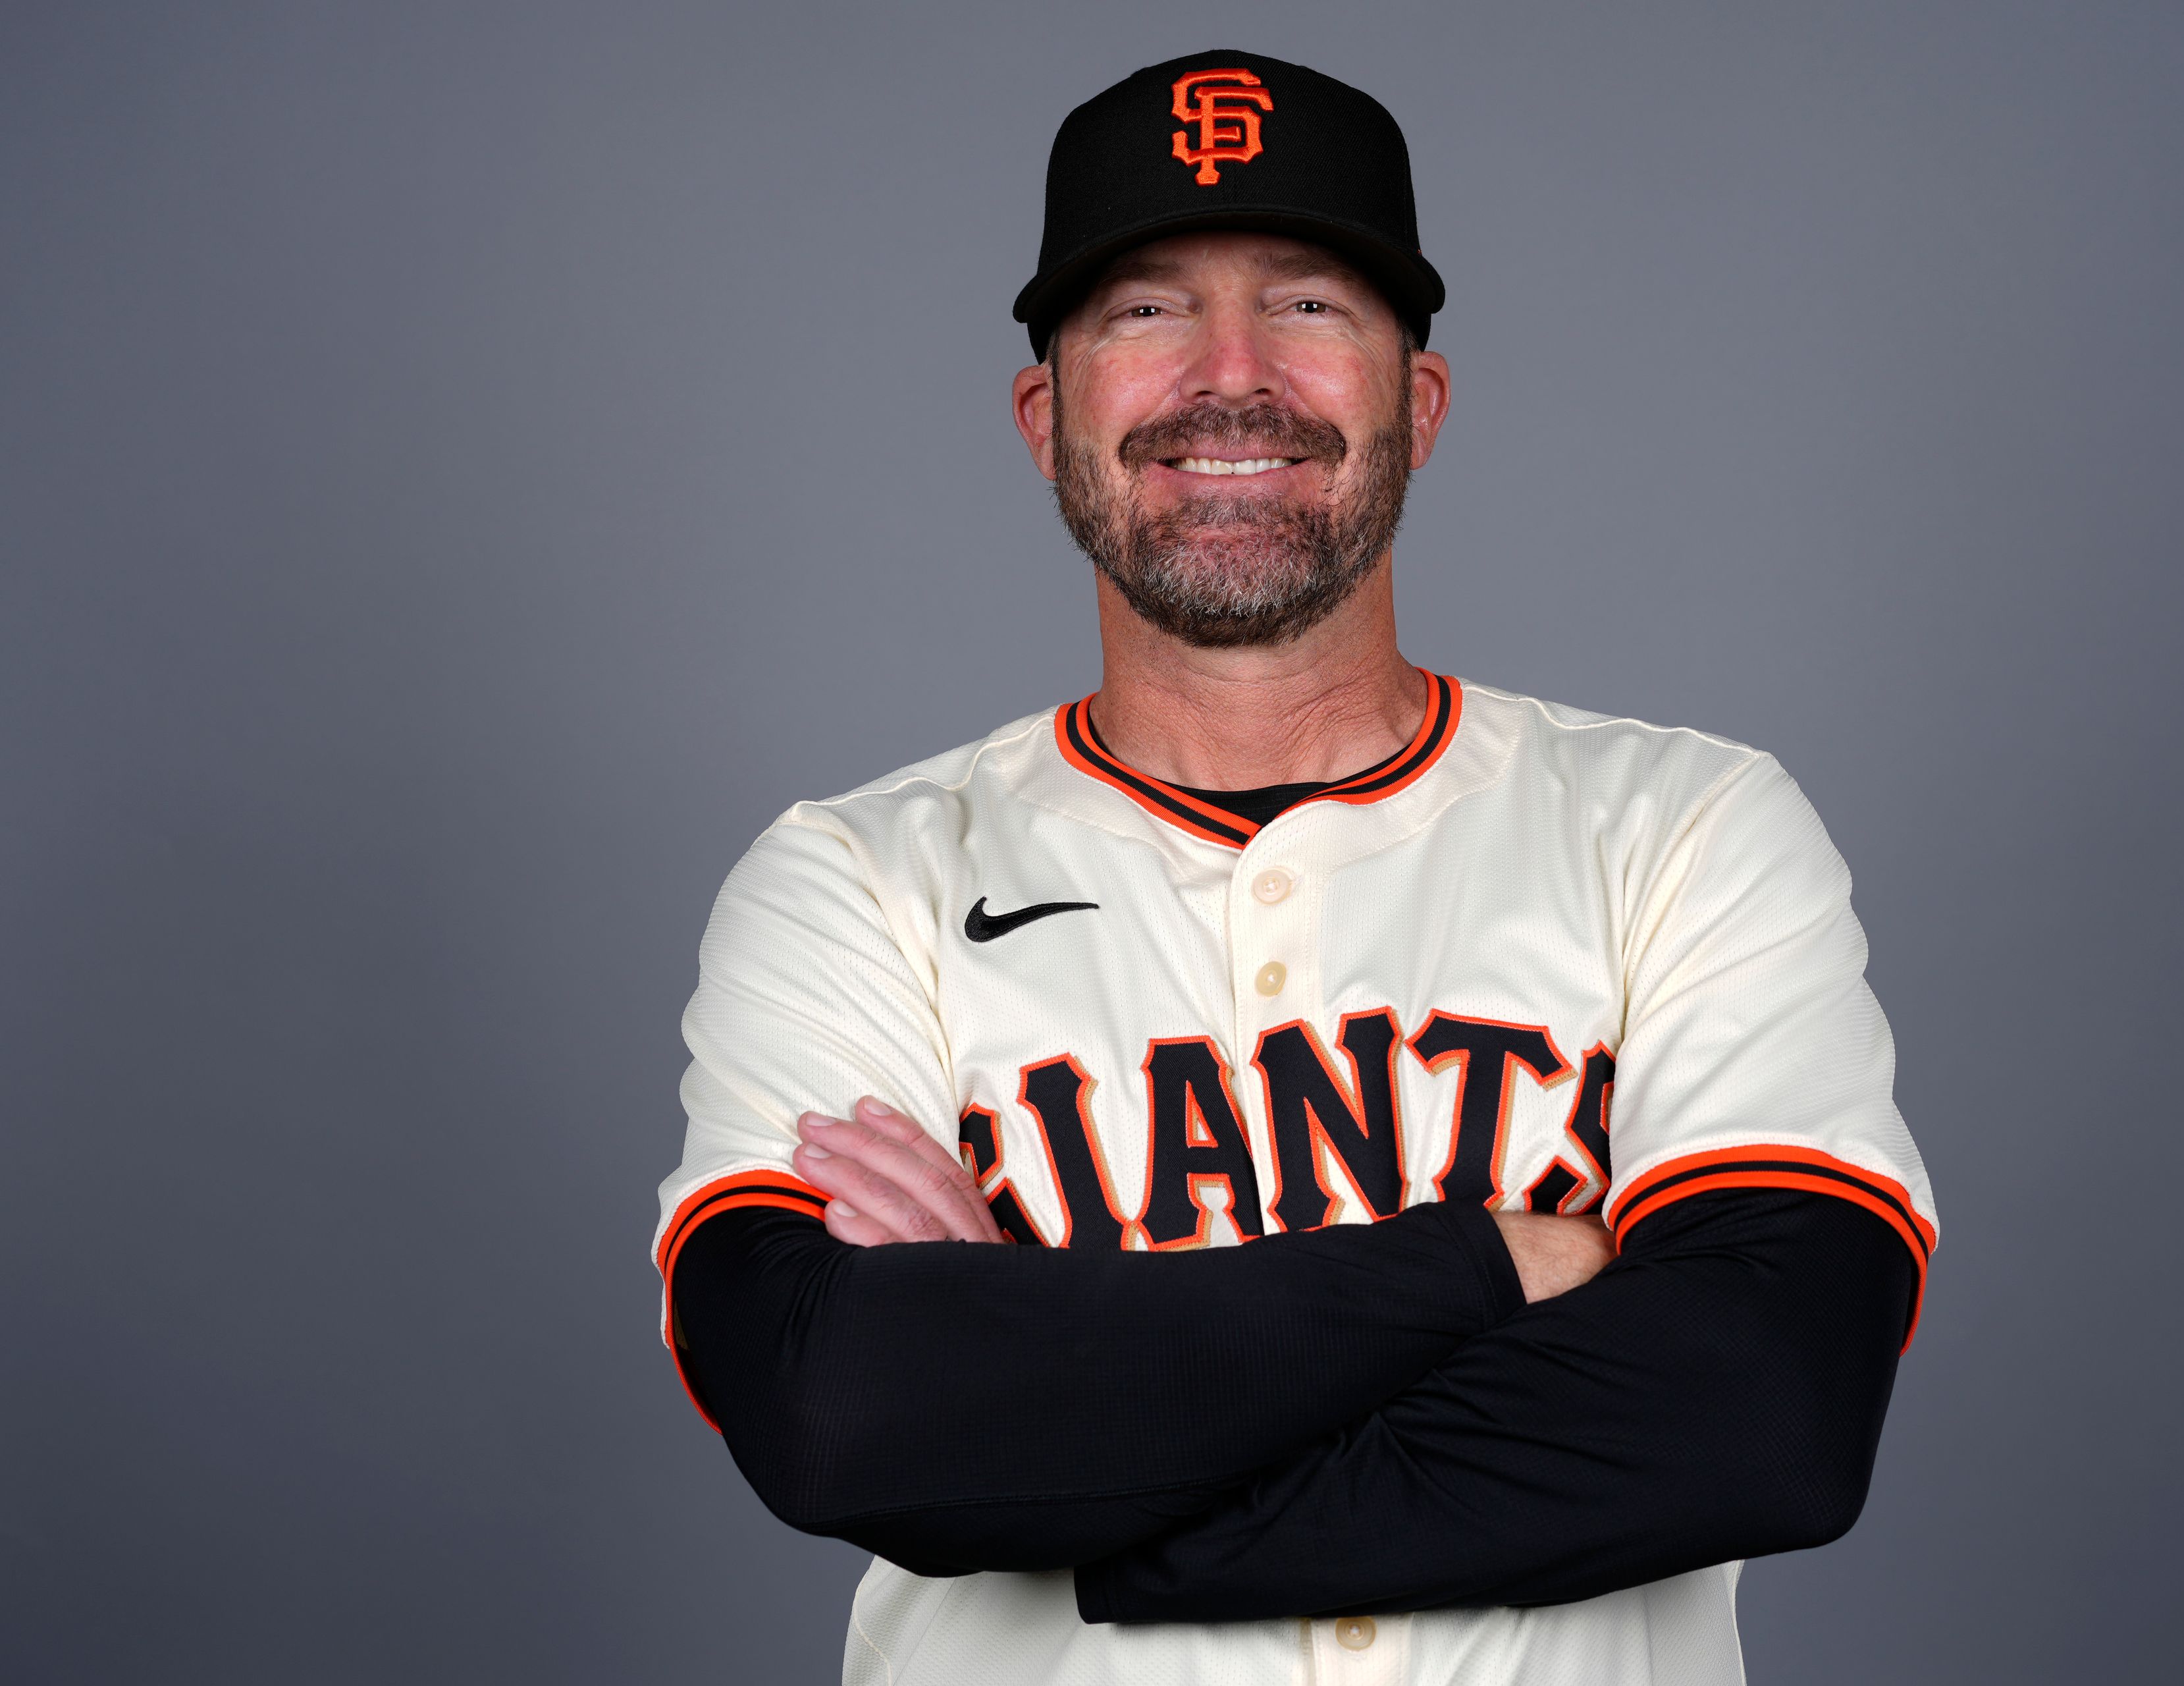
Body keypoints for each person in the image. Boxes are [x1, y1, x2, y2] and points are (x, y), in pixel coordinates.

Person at [653, 49, 1937, 1686]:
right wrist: (1503, 1257)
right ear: (1049, 416)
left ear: (1424, 397)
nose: (1231, 376)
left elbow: (1768, 1407)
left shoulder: (1686, 829)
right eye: (1144, 311)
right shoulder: (852, 879)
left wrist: (1062, 1422)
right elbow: (847, 1417)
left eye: (1313, 304)